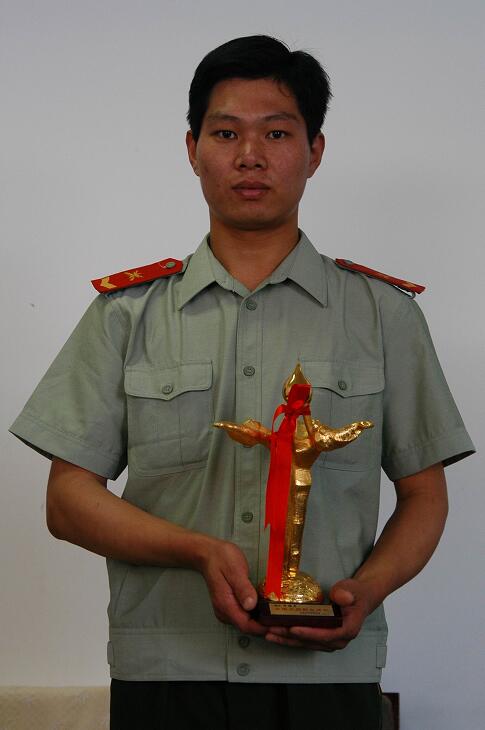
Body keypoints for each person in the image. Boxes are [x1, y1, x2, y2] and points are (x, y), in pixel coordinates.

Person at [10, 35, 475, 730]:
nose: (250, 155)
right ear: (192, 149)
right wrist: (198, 551)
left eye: (277, 133)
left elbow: (424, 494)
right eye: (226, 133)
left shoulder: (384, 316)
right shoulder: (126, 315)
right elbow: (68, 501)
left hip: (327, 675)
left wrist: (368, 590)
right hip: (168, 673)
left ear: (315, 151)